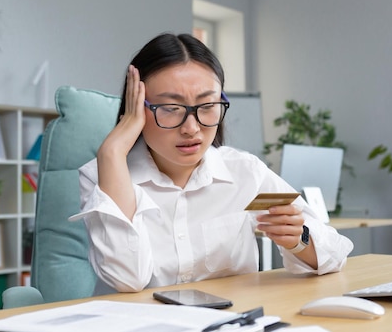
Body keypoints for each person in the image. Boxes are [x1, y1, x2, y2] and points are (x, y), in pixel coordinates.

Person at [72, 32, 353, 293]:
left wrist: (298, 239)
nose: (192, 128)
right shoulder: (104, 175)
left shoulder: (244, 173)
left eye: (207, 107)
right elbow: (127, 279)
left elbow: (336, 250)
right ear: (137, 108)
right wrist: (111, 152)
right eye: (171, 109)